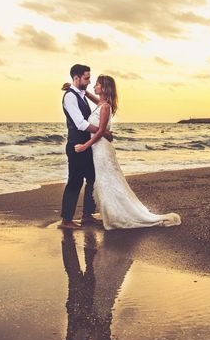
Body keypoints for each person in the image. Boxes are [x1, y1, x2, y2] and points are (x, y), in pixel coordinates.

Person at [74, 75, 181, 230]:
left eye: (97, 85)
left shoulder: (105, 107)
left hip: (102, 149)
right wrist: (80, 91)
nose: (94, 87)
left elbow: (101, 131)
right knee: (106, 181)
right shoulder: (101, 104)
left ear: (104, 88)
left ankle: (117, 215)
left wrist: (85, 145)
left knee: (108, 181)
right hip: (98, 150)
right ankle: (111, 214)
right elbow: (93, 99)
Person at [60, 64, 113, 230]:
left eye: (90, 78)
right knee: (75, 181)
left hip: (88, 146)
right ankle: (66, 219)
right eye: (86, 78)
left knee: (92, 178)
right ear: (76, 78)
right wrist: (102, 132)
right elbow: (81, 123)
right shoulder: (70, 97)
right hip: (77, 145)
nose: (89, 81)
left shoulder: (81, 95)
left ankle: (87, 215)